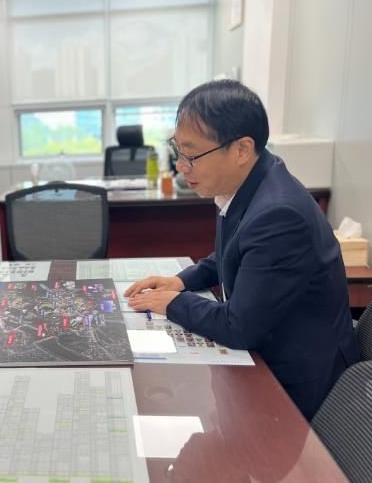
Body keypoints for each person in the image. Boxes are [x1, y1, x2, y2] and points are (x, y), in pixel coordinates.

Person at [124, 80, 359, 420]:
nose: (181, 166)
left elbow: (239, 326)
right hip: (269, 356)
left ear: (241, 149)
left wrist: (173, 303)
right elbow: (233, 253)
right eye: (178, 151)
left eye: (192, 155)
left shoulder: (279, 215)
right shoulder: (253, 179)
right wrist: (181, 281)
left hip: (300, 386)